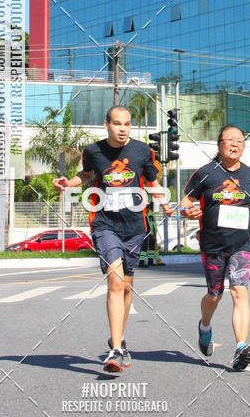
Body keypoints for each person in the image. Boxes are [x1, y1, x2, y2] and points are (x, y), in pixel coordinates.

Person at [53, 105, 173, 374]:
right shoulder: (93, 151)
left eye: (127, 124)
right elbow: (86, 174)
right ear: (106, 124)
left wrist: (164, 202)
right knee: (116, 282)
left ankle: (118, 336)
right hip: (104, 223)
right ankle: (116, 350)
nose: (123, 129)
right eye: (117, 123)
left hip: (135, 226)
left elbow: (152, 182)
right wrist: (68, 183)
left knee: (127, 286)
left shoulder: (143, 151)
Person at [180, 125, 250, 370]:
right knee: (215, 295)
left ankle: (241, 347)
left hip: (242, 244)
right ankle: (205, 326)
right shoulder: (205, 173)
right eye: (230, 140)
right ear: (220, 145)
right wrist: (187, 211)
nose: (235, 144)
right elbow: (185, 201)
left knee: (240, 291)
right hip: (213, 244)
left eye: (240, 140)